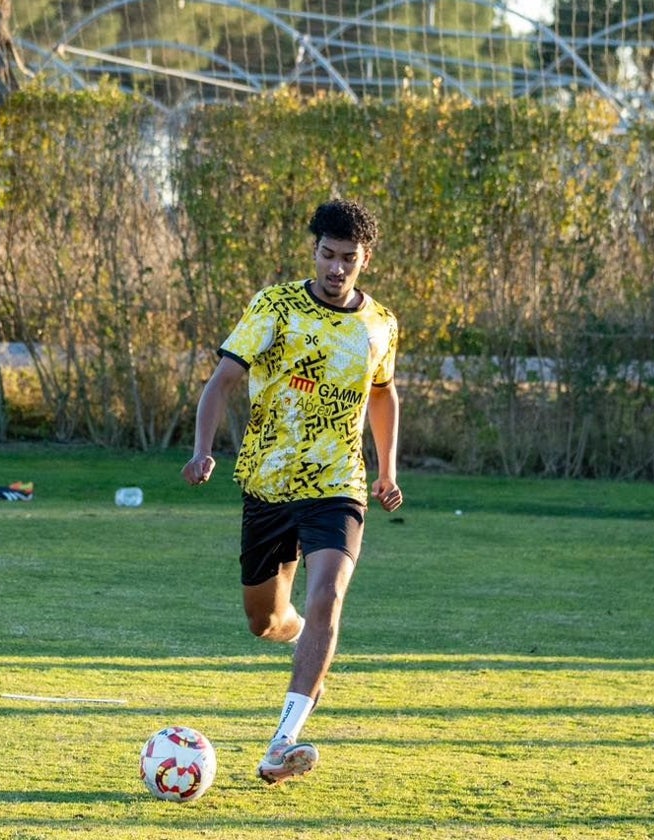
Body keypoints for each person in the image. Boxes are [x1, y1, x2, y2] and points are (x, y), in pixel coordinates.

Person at [181, 198, 402, 785]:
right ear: (315, 252)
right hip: (268, 484)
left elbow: (382, 393)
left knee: (329, 592)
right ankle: (308, 637)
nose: (337, 268)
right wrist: (203, 449)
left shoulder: (380, 323)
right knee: (266, 621)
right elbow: (223, 381)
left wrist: (387, 469)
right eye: (328, 256)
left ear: (364, 259)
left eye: (348, 259)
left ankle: (283, 741)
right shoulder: (275, 306)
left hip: (339, 485)